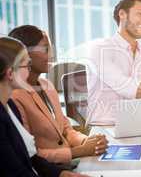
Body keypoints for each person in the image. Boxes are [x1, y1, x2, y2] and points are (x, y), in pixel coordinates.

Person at [9, 25, 108, 164]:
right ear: (25, 54)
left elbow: (65, 129)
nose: (52, 55)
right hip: (49, 169)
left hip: (69, 162)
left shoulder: (47, 85)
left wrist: (86, 141)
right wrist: (79, 151)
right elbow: (29, 154)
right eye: (46, 49)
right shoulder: (15, 97)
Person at [0, 37, 87, 177]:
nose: (29, 69)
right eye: (27, 65)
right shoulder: (10, 106)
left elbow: (31, 158)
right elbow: (15, 171)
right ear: (10, 74)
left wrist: (62, 174)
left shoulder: (9, 107)